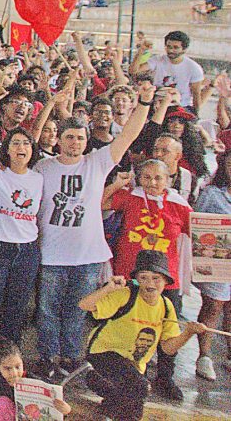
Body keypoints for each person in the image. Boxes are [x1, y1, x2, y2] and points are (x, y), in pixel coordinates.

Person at [33, 79, 152, 384]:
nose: (75, 143)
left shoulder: (97, 162)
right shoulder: (43, 168)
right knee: (47, 311)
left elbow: (128, 135)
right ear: (58, 139)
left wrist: (146, 103)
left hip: (87, 255)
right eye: (69, 137)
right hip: (50, 254)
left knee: (77, 311)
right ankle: (48, 358)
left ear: (87, 141)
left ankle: (73, 360)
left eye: (80, 138)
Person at [101, 158, 192, 399]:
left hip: (166, 280)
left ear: (169, 179)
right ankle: (123, 374)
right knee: (124, 324)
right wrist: (116, 185)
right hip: (130, 275)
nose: (152, 182)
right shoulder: (131, 196)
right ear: (139, 178)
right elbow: (99, 203)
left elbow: (202, 232)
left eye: (158, 177)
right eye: (147, 177)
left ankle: (165, 377)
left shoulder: (178, 204)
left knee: (168, 330)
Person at [80, 252, 207, 421]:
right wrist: (108, 288)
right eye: (144, 277)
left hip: (134, 362)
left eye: (156, 278)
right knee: (138, 388)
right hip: (104, 352)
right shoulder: (126, 295)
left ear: (166, 282)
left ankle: (99, 385)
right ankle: (111, 404)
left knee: (132, 398)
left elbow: (168, 348)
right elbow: (84, 305)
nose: (150, 283)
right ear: (137, 280)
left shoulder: (167, 306)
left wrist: (188, 333)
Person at [0, 129, 43, 382]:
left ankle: (12, 367)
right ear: (7, 148)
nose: (21, 147)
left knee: (15, 312)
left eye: (26, 143)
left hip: (27, 251)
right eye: (15, 142)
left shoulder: (39, 177)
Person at [194, 154, 231, 380]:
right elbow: (196, 223)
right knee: (213, 306)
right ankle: (204, 356)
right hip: (218, 261)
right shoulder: (212, 194)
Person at [130, 31, 205, 111]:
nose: (171, 50)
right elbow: (134, 71)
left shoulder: (194, 68)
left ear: (184, 49)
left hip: (180, 108)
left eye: (175, 47)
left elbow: (196, 95)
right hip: (156, 106)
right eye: (168, 47)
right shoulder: (158, 60)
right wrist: (141, 51)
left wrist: (195, 115)